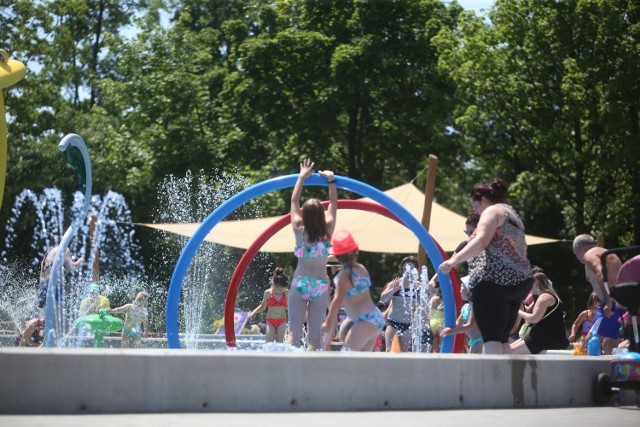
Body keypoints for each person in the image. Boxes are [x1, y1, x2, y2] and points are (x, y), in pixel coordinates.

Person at [438, 177, 533, 354]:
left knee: (491, 339)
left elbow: (482, 240)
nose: (477, 212)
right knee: (502, 340)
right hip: (520, 282)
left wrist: (454, 261)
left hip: (495, 282)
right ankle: (504, 380)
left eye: (475, 207)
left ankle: (491, 381)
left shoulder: (491, 211)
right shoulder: (511, 213)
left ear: (483, 200)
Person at [289, 159, 337, 350]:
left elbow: (293, 201)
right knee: (315, 337)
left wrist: (301, 176)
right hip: (320, 284)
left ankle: (287, 373)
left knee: (293, 334)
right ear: (321, 215)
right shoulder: (327, 232)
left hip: (300, 281)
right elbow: (334, 203)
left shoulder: (298, 229)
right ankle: (312, 375)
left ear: (304, 215)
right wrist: (331, 181)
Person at [321, 230, 384, 351]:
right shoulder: (361, 269)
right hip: (376, 318)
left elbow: (337, 301)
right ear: (356, 250)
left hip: (364, 320)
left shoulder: (345, 276)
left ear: (337, 255)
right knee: (361, 361)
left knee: (347, 355)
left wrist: (328, 323)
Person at [572, 234, 624, 354]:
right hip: (612, 300)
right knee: (604, 345)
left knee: (589, 345)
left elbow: (601, 274)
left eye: (575, 254)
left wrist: (609, 302)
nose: (578, 258)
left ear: (579, 248)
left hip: (613, 301)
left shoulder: (590, 254)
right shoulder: (600, 252)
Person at [510, 272, 569, 354]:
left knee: (509, 352)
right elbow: (530, 313)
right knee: (508, 349)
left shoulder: (544, 297)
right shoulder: (544, 296)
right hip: (542, 335)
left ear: (537, 283)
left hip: (547, 337)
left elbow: (533, 318)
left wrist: (517, 311)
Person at [379, 256, 421, 352]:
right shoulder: (396, 283)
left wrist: (427, 291)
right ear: (402, 270)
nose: (408, 272)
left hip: (408, 324)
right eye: (406, 269)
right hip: (393, 322)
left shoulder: (417, 286)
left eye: (411, 269)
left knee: (403, 352)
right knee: (389, 350)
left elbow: (423, 303)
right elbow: (383, 298)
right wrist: (394, 289)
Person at [248, 267, 289, 343]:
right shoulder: (268, 293)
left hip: (282, 321)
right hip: (270, 321)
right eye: (279, 290)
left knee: (280, 343)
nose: (281, 292)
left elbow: (289, 308)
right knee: (269, 342)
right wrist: (254, 312)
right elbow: (262, 306)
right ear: (273, 284)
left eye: (283, 289)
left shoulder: (286, 293)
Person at [440, 282, 483, 354]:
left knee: (476, 364)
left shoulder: (475, 305)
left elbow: (470, 325)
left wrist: (451, 331)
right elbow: (457, 323)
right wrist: (445, 327)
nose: (460, 290)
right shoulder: (466, 307)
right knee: (471, 364)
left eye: (462, 288)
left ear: (469, 290)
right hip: (473, 341)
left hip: (480, 340)